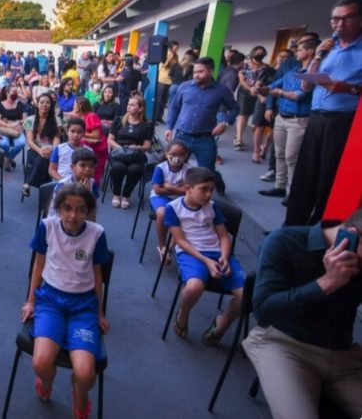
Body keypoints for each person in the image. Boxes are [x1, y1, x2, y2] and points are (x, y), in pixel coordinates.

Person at [242, 208, 362, 419]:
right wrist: (326, 283)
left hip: (343, 355)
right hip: (284, 344)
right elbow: (264, 310)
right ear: (352, 234)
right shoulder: (286, 241)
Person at [22, 183, 109, 418]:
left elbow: (98, 274)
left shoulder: (96, 233)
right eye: (67, 208)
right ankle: (47, 382)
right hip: (50, 301)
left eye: (81, 210)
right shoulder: (47, 227)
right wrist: (30, 301)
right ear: (58, 209)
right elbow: (38, 265)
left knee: (85, 375)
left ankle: (79, 393)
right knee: (41, 363)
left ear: (89, 212)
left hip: (83, 307)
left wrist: (100, 313)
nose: (73, 215)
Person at [286, 0, 362, 226]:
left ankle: (317, 230)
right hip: (316, 118)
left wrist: (348, 88)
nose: (340, 24)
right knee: (304, 176)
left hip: (343, 122)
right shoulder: (329, 49)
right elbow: (306, 86)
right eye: (336, 19)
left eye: (347, 18)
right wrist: (317, 56)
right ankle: (291, 228)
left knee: (328, 178)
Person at [163, 167, 245, 345]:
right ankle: (182, 315)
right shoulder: (173, 208)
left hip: (217, 252)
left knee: (246, 295)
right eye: (204, 189)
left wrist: (224, 256)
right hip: (191, 253)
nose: (209, 195)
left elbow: (223, 236)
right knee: (194, 287)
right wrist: (207, 262)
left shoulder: (212, 207)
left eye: (211, 190)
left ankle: (222, 323)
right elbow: (181, 241)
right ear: (188, 188)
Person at [165, 57, 238, 194]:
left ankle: (217, 180)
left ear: (210, 71)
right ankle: (182, 195)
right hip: (182, 136)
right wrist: (169, 127)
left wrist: (225, 122)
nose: (196, 75)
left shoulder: (221, 90)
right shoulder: (184, 87)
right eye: (194, 72)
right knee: (175, 165)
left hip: (205, 139)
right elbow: (174, 107)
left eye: (200, 72)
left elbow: (235, 108)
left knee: (207, 171)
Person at [259, 39, 314, 199]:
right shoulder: (292, 72)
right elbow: (273, 85)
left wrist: (280, 93)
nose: (296, 53)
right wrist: (261, 88)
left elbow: (298, 95)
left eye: (300, 50)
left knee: (292, 157)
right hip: (282, 118)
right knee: (279, 154)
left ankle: (292, 192)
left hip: (298, 120)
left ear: (310, 52)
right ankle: (280, 186)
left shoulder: (312, 75)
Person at [107, 95, 153, 209]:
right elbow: (110, 139)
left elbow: (147, 146)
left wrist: (137, 147)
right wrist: (120, 148)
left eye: (132, 105)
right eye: (128, 104)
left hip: (135, 154)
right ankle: (116, 193)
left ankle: (126, 194)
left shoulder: (147, 125)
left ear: (141, 108)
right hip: (118, 152)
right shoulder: (119, 120)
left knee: (135, 169)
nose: (129, 107)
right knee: (119, 168)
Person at [150, 141, 191, 261]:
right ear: (167, 153)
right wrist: (179, 190)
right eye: (173, 154)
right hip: (160, 198)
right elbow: (157, 190)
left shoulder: (189, 170)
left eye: (181, 155)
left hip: (180, 199)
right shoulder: (160, 168)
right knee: (162, 213)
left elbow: (188, 191)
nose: (176, 158)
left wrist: (169, 187)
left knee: (185, 214)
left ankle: (173, 245)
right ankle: (162, 245)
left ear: (185, 156)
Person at [22, 93, 61, 198]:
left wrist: (52, 149)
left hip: (51, 150)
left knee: (45, 159)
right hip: (34, 150)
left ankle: (28, 184)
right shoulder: (30, 120)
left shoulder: (56, 120)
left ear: (51, 105)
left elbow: (57, 138)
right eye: (42, 102)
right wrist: (40, 150)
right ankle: (45, 190)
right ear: (37, 104)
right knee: (43, 159)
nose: (45, 105)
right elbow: (30, 141)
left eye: (47, 103)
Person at [46, 148, 99, 220]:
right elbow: (64, 212)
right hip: (59, 222)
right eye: (82, 165)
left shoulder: (93, 184)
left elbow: (92, 213)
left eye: (91, 166)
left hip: (81, 221)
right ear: (72, 167)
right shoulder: (63, 185)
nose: (87, 169)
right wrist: (86, 194)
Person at [73, 97, 108, 183]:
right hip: (86, 145)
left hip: (97, 148)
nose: (73, 106)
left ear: (80, 106)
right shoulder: (81, 117)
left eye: (75, 104)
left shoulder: (91, 116)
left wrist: (79, 132)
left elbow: (96, 135)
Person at [0, 86, 27, 171]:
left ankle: (7, 159)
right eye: (14, 91)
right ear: (7, 93)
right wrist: (10, 125)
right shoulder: (0, 105)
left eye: (17, 92)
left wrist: (19, 123)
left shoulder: (20, 104)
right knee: (4, 144)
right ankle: (10, 159)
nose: (16, 93)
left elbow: (25, 119)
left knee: (21, 143)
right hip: (4, 129)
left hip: (17, 129)